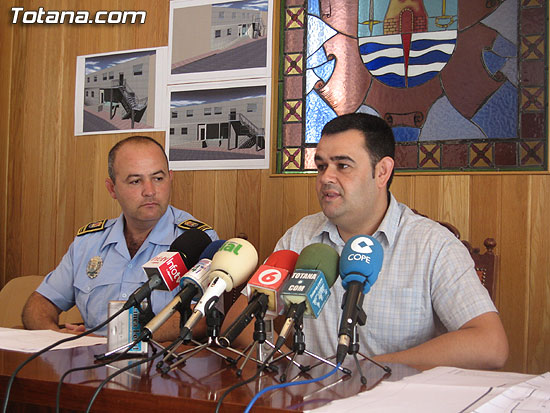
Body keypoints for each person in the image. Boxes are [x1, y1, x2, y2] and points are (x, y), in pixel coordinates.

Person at [225, 113, 508, 370]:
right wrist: (294, 367)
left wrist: (368, 370)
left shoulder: (433, 245)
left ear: (382, 172)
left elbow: (490, 345)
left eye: (343, 166)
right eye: (321, 166)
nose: (326, 178)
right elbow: (239, 321)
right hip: (308, 399)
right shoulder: (300, 236)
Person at [22, 136, 218, 342]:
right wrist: (55, 335)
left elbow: (202, 318)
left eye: (158, 178)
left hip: (163, 367)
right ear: (112, 189)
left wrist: (119, 342)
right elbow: (38, 304)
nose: (149, 191)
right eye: (135, 181)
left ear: (170, 178)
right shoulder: (88, 243)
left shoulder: (198, 241)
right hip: (89, 368)